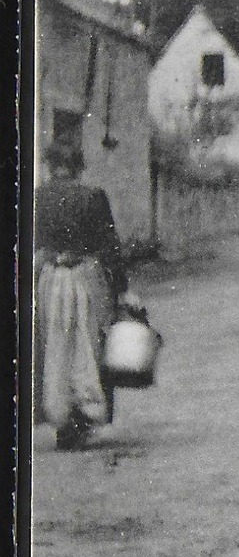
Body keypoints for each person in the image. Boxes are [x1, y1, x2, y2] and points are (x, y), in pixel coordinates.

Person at [34, 140, 138, 450]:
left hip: (50, 280)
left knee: (54, 348)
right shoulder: (92, 196)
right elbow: (109, 247)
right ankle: (83, 415)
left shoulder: (38, 198)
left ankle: (60, 419)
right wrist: (121, 289)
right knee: (87, 346)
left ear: (50, 166)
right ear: (79, 167)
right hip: (85, 279)